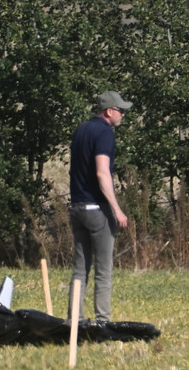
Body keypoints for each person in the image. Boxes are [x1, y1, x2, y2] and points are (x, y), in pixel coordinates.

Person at [67, 90, 132, 322]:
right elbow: (102, 173)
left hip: (76, 207)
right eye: (121, 111)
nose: (123, 115)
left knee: (80, 269)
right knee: (103, 271)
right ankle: (102, 321)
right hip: (97, 209)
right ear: (109, 111)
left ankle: (74, 320)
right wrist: (116, 209)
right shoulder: (105, 133)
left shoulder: (81, 130)